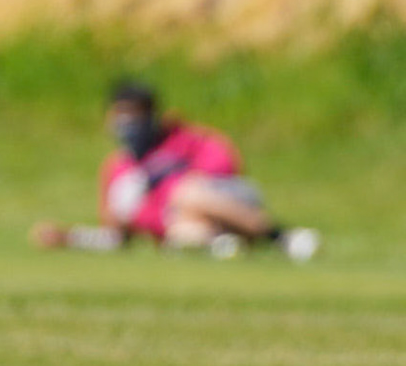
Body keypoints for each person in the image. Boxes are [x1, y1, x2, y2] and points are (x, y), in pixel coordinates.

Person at [32, 79, 319, 260]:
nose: (127, 124)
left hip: (233, 203)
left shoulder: (183, 139)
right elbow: (116, 237)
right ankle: (225, 247)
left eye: (134, 115)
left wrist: (171, 185)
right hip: (185, 225)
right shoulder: (116, 170)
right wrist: (68, 238)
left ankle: (280, 237)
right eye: (120, 115)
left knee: (186, 193)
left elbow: (226, 168)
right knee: (183, 234)